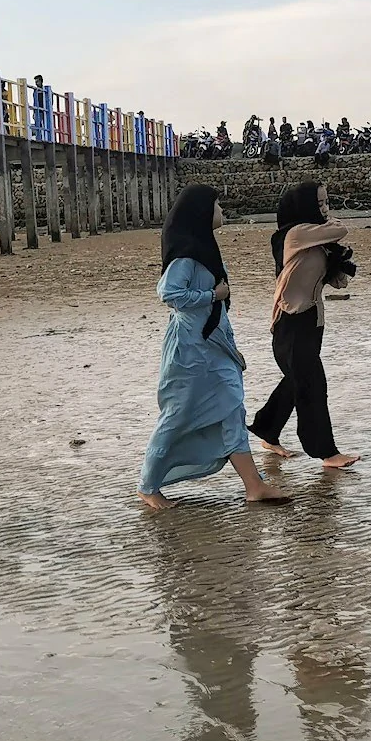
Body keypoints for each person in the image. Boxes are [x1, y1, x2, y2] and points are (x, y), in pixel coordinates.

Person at [138, 185, 289, 510]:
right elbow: (169, 294)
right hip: (190, 353)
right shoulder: (187, 255)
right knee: (179, 415)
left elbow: (215, 314)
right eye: (217, 205)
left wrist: (231, 351)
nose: (222, 211)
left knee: (232, 409)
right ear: (201, 214)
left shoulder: (204, 251)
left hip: (214, 348)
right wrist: (211, 296)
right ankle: (148, 486)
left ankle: (254, 486)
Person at [249, 182, 360, 468]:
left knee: (296, 381)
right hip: (290, 322)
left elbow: (336, 282)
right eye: (320, 203)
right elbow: (340, 229)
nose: (325, 208)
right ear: (304, 206)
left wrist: (339, 264)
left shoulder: (317, 242)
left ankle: (267, 430)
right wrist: (330, 229)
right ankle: (326, 453)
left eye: (326, 202)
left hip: (313, 320)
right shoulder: (295, 235)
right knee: (312, 385)